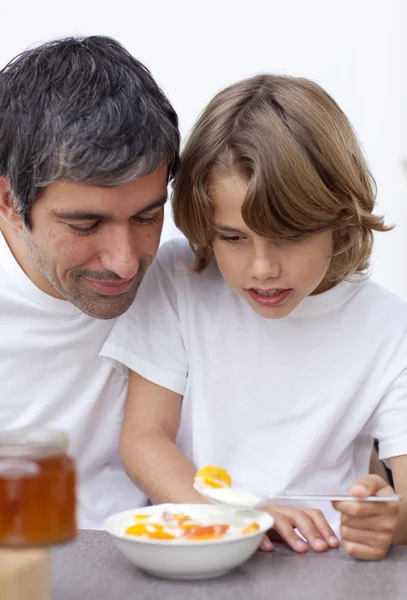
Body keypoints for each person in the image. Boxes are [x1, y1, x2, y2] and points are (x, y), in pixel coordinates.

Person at [102, 74, 407, 560]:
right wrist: (236, 518)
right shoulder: (178, 280)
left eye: (288, 237)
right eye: (233, 238)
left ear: (340, 221)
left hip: (322, 562)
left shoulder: (390, 328)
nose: (262, 269)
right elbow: (144, 439)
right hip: (197, 548)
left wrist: (387, 523)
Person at [0, 35, 180, 528]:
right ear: (10, 202)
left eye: (147, 217)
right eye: (85, 225)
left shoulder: (184, 282)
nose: (125, 264)